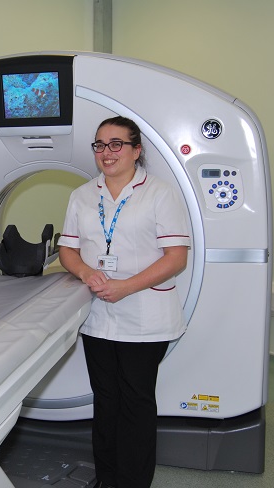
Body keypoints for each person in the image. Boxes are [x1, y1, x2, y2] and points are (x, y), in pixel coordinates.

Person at [57, 116, 190, 488]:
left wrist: (127, 286)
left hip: (146, 316)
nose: (107, 152)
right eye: (100, 145)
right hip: (97, 315)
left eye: (116, 144)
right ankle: (107, 478)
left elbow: (175, 258)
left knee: (136, 404)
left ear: (136, 150)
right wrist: (85, 272)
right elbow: (68, 251)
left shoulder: (160, 193)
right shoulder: (82, 196)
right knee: (106, 401)